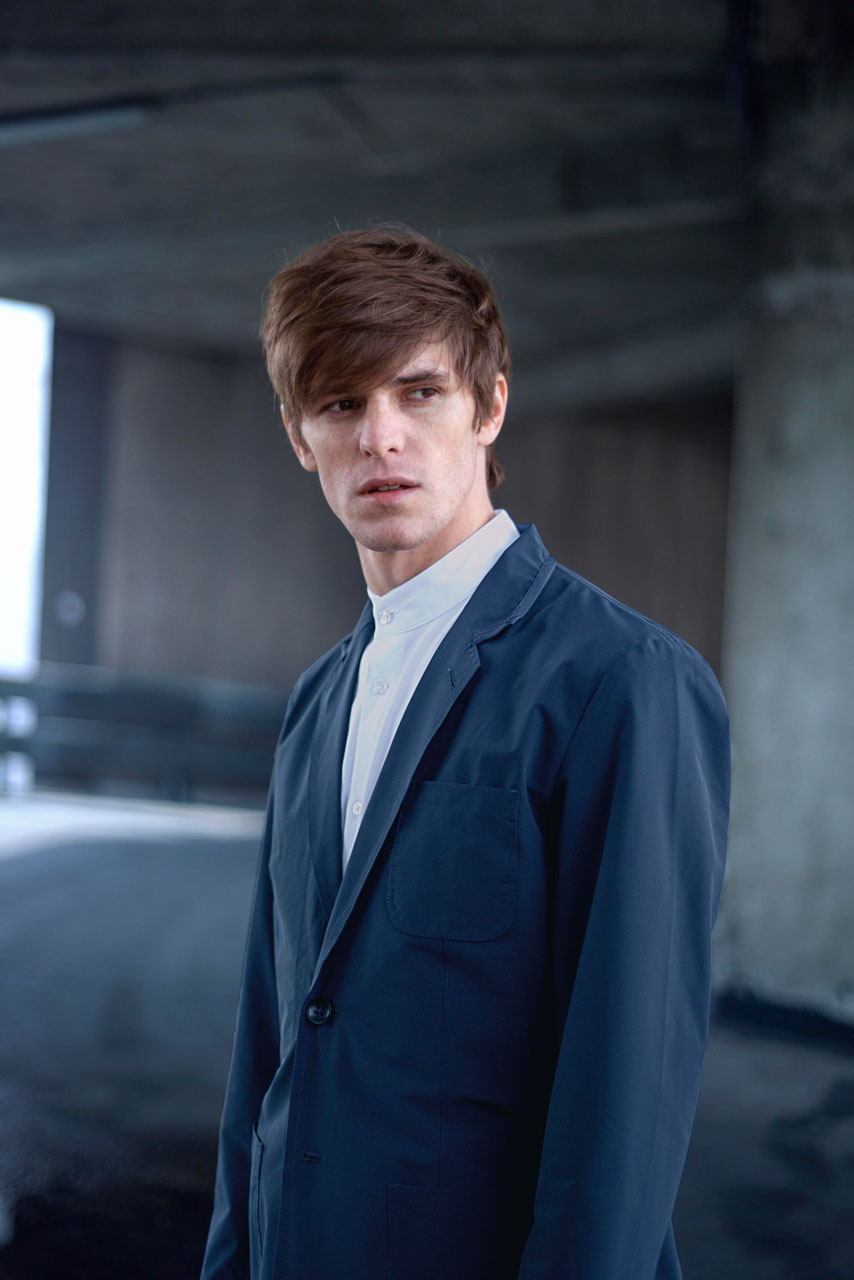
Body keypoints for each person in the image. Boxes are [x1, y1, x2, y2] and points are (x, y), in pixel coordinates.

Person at [200, 226, 730, 1280]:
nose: (380, 437)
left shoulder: (622, 680)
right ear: (300, 436)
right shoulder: (317, 701)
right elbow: (268, 1051)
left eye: (419, 392)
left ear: (488, 407)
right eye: (341, 403)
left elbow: (622, 1100)